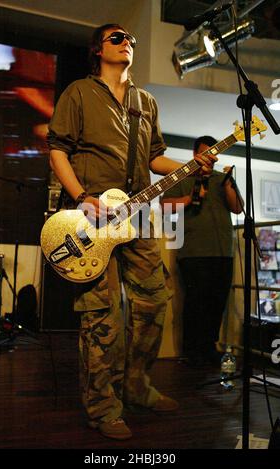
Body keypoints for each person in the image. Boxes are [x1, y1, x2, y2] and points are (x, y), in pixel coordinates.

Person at [47, 24, 216, 440]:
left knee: (153, 302)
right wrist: (82, 196)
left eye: (132, 41)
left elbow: (154, 158)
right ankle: (103, 406)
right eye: (118, 38)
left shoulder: (146, 102)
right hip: (92, 216)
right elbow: (57, 149)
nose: (129, 44)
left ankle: (137, 386)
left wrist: (189, 165)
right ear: (97, 49)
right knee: (101, 315)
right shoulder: (79, 93)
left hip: (140, 215)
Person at [161, 136, 244, 368]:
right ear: (195, 154)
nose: (209, 158)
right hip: (193, 251)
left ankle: (209, 348)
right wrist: (189, 199)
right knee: (196, 302)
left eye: (213, 154)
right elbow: (164, 205)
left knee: (217, 302)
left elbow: (238, 208)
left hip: (223, 251)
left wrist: (229, 184)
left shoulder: (221, 178)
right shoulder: (183, 176)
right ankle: (191, 351)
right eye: (205, 153)